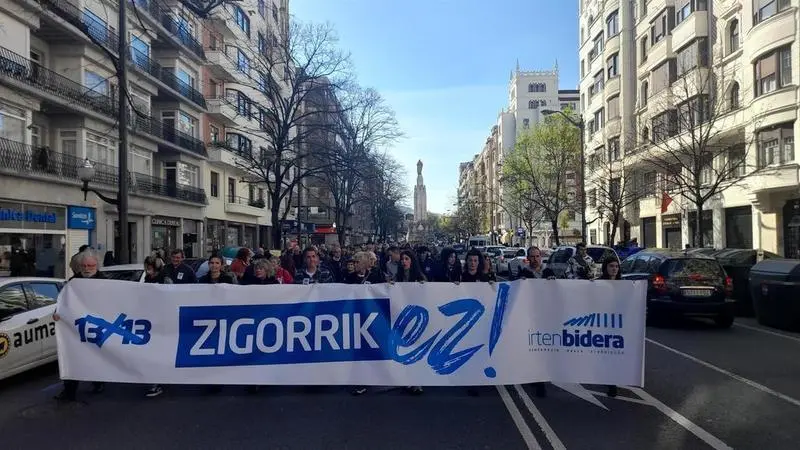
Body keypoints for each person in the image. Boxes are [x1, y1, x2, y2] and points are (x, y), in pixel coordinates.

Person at [54, 249, 107, 402]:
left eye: (90, 266)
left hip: (97, 326)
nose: (86, 269)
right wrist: (57, 312)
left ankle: (99, 381)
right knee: (73, 357)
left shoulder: (105, 282)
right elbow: (63, 301)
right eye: (84, 266)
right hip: (77, 327)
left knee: (96, 356)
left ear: (97, 266)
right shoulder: (73, 282)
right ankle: (69, 390)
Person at [393, 249, 426, 395]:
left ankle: (418, 381)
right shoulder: (398, 277)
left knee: (416, 348)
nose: (404, 261)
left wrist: (423, 286)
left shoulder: (420, 277)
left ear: (412, 260)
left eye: (406, 259)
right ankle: (406, 379)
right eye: (402, 259)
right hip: (402, 317)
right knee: (404, 348)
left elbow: (427, 294)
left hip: (417, 318)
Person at [142, 256, 171, 398]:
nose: (148, 270)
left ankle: (158, 381)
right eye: (147, 267)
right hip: (150, 321)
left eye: (150, 267)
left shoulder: (165, 279)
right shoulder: (147, 279)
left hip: (163, 320)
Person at [599, 258, 621, 398]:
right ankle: (610, 382)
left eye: (616, 266)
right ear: (605, 268)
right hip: (603, 323)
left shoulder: (624, 285)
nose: (614, 269)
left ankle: (613, 381)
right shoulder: (599, 283)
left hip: (618, 324)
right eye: (611, 266)